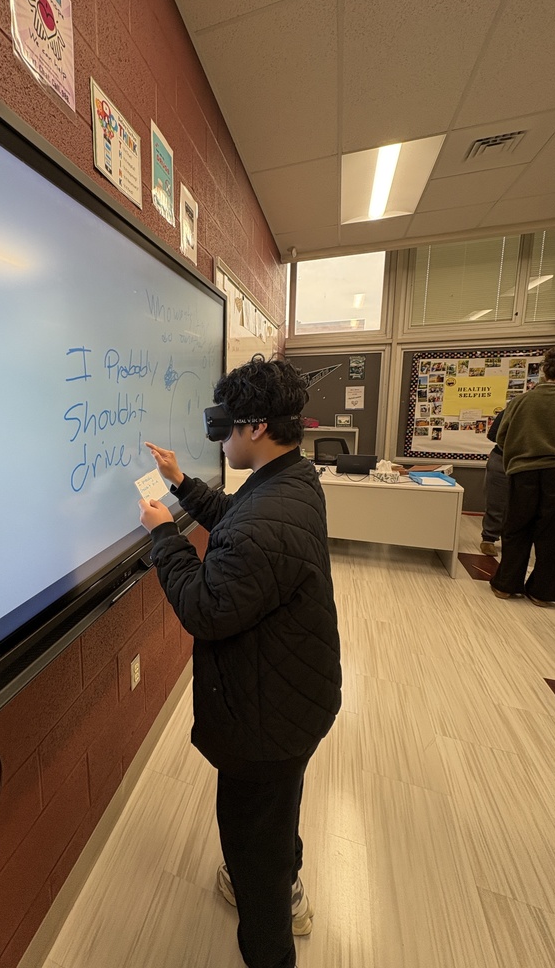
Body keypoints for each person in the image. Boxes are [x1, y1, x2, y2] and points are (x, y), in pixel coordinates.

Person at [138, 355, 342, 968]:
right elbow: (240, 522)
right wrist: (181, 486)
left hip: (265, 718)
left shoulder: (267, 516)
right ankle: (289, 879)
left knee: (252, 843)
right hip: (292, 697)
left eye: (227, 426)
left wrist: (164, 537)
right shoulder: (292, 482)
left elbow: (205, 606)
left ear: (254, 427)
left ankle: (272, 934)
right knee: (277, 810)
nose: (221, 437)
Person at [490, 346, 555, 606]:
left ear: (544, 370)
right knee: (553, 533)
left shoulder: (521, 401)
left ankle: (506, 585)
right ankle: (543, 592)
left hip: (523, 471)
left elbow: (501, 437)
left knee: (516, 528)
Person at [480, 407, 507, 556]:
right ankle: (489, 538)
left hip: (536, 460)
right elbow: (493, 434)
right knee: (496, 501)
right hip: (503, 456)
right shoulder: (517, 405)